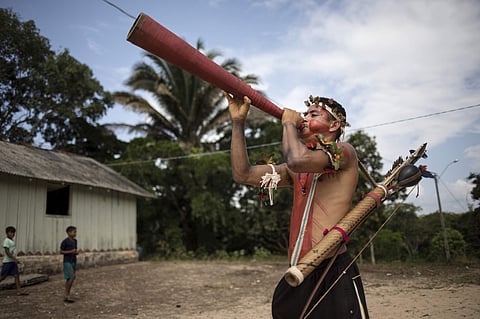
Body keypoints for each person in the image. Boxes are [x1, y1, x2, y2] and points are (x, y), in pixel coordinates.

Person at [225, 93, 369, 318]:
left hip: (332, 270)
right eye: (304, 113)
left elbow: (297, 159)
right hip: (298, 271)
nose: (304, 117)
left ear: (334, 124)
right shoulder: (296, 170)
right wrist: (237, 122)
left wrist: (289, 123)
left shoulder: (345, 152)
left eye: (313, 114)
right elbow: (243, 174)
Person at [0, 226, 28, 295]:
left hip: (12, 262)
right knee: (3, 277)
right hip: (7, 262)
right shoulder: (6, 241)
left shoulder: (11, 241)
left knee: (16, 275)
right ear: (7, 233)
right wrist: (14, 259)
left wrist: (14, 260)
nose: (12, 234)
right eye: (11, 232)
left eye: (13, 232)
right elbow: (7, 252)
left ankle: (19, 291)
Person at [60, 226, 78, 303]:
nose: (75, 233)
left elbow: (75, 251)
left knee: (70, 278)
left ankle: (66, 295)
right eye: (74, 232)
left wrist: (76, 253)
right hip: (67, 261)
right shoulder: (65, 241)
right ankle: (66, 295)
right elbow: (61, 251)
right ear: (69, 232)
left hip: (73, 261)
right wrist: (71, 251)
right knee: (71, 277)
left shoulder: (75, 241)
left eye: (75, 232)